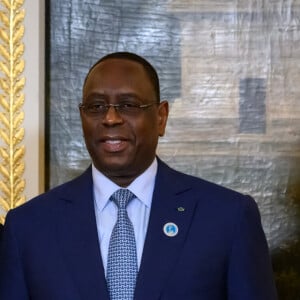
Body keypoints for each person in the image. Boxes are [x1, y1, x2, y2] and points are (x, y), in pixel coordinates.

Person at [0, 52, 277, 299]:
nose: (110, 118)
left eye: (129, 105)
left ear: (161, 117)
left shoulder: (227, 217)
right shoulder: (28, 228)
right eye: (96, 107)